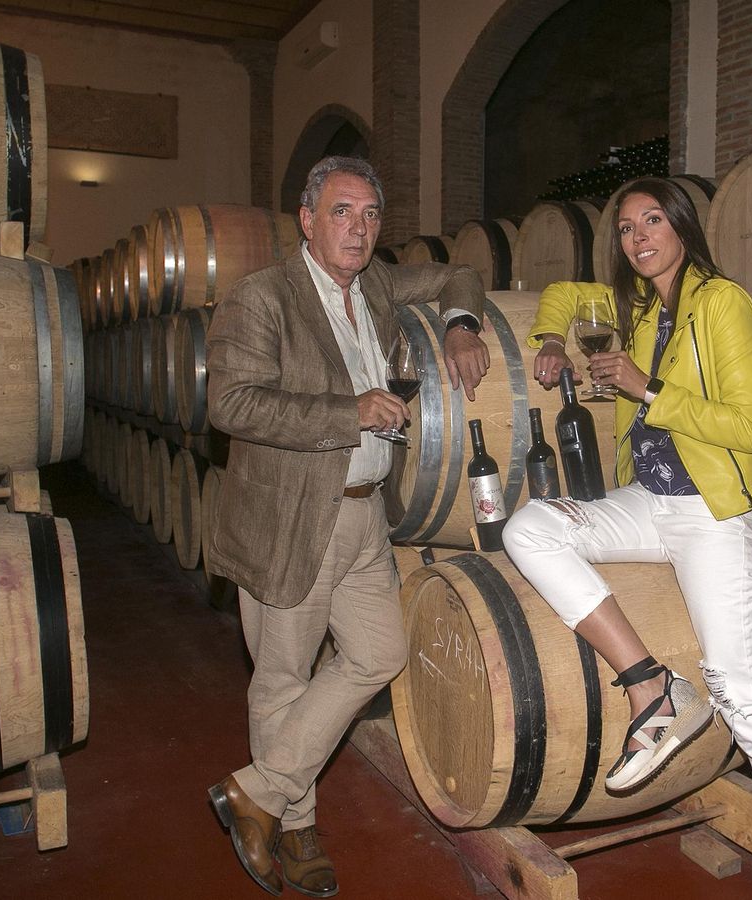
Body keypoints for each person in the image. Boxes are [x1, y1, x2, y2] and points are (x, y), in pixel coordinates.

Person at [503, 178, 752, 900]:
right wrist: (552, 338)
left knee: (746, 690)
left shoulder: (724, 303)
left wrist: (646, 387)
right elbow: (562, 294)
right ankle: (650, 686)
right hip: (650, 499)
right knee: (529, 527)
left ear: (683, 226)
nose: (638, 236)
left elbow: (748, 426)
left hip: (712, 511)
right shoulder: (639, 306)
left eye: (653, 220)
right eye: (626, 228)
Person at [204, 155, 489, 897]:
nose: (358, 229)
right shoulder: (261, 297)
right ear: (306, 219)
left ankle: (257, 791)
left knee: (380, 652)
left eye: (369, 216)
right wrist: (348, 412)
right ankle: (295, 830)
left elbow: (459, 272)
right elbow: (231, 405)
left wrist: (460, 328)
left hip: (366, 515)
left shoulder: (381, 286)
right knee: (283, 680)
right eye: (341, 212)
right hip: (291, 517)